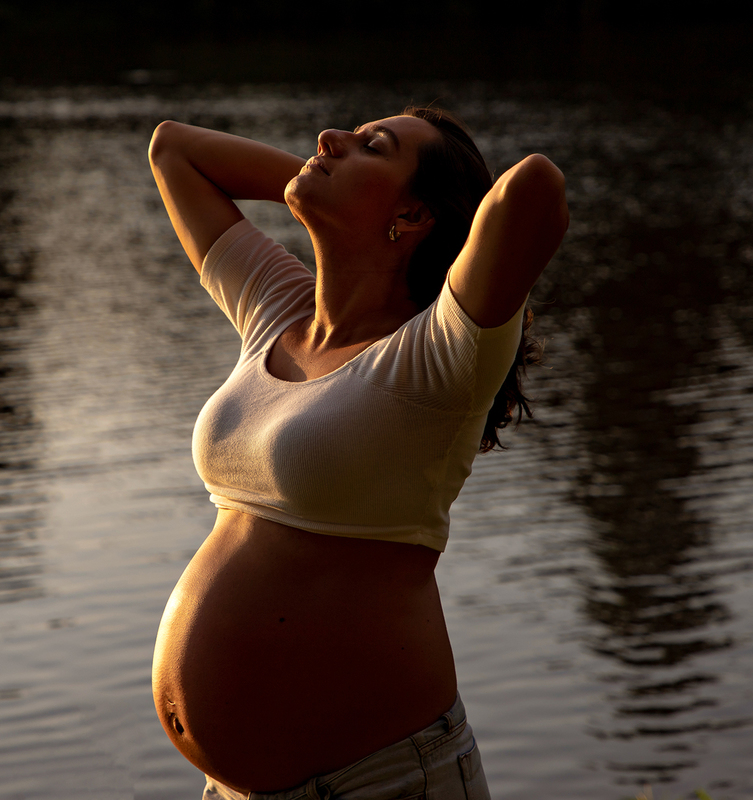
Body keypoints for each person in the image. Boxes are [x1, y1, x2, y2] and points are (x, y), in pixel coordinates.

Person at [147, 106, 568, 800]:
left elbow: (535, 188)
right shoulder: (277, 308)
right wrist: (332, 190)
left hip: (380, 782)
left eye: (372, 145)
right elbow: (174, 150)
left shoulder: (440, 354)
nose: (329, 140)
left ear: (417, 214)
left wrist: (355, 201)